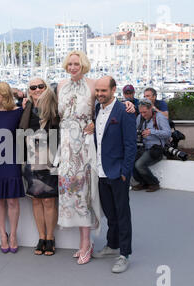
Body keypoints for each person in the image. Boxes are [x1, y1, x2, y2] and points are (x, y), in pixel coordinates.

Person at [56, 50, 135, 265]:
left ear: (83, 64)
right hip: (68, 148)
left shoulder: (95, 88)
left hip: (88, 151)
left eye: (77, 63)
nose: (73, 67)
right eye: (70, 63)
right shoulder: (61, 86)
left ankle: (115, 251)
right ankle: (111, 244)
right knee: (98, 205)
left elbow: (107, 103)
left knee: (94, 200)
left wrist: (128, 104)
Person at [92, 76, 137, 273]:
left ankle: (124, 254)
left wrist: (125, 173)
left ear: (113, 90)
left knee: (122, 214)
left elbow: (130, 145)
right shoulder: (96, 109)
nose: (100, 94)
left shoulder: (124, 111)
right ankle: (112, 245)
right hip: (101, 171)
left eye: (104, 91)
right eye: (98, 91)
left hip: (117, 173)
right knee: (110, 214)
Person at [19, 78, 59, 256]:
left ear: (47, 87)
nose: (37, 89)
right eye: (33, 87)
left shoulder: (55, 106)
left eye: (41, 86)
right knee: (36, 199)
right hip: (31, 159)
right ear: (28, 91)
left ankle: (50, 238)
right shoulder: (26, 107)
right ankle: (41, 237)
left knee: (49, 200)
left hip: (49, 159)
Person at [0, 82, 25, 253]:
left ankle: (14, 235)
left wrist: (23, 97)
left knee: (12, 199)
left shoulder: (17, 112)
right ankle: (2, 235)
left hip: (12, 158)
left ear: (6, 96)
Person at [132, 99, 171, 192]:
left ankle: (154, 183)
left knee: (139, 165)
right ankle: (142, 183)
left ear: (151, 109)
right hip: (144, 147)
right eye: (141, 112)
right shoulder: (139, 118)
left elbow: (168, 133)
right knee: (131, 161)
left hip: (156, 149)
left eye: (145, 112)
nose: (143, 115)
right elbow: (135, 131)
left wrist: (151, 132)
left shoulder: (160, 117)